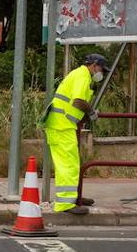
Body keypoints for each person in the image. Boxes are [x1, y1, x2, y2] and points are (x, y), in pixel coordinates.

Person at [45, 53, 106, 216]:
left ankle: (73, 197)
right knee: (68, 165)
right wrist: (92, 112)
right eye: (101, 68)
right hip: (61, 126)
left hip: (61, 125)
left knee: (71, 162)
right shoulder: (83, 76)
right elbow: (78, 101)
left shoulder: (80, 75)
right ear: (94, 65)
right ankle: (65, 203)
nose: (102, 73)